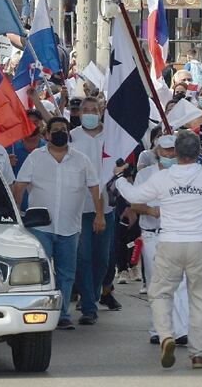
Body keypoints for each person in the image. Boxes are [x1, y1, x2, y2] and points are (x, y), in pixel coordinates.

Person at [116, 130, 202, 370]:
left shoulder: (162, 178)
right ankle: (199, 354)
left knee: (159, 293)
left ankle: (166, 334)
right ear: (198, 151)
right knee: (199, 299)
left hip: (170, 242)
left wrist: (119, 179)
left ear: (176, 152)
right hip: (201, 244)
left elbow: (133, 195)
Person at [13, 116, 103, 330]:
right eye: (55, 130)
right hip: (40, 227)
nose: (60, 133)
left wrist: (99, 215)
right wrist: (16, 215)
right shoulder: (36, 157)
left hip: (69, 227)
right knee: (42, 271)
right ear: (47, 134)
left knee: (66, 272)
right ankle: (40, 311)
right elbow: (19, 186)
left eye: (64, 129)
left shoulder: (81, 160)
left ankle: (62, 315)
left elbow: (94, 188)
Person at [131, 135, 190, 346]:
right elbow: (134, 203)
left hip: (177, 235)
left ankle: (181, 330)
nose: (170, 154)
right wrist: (150, 210)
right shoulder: (145, 175)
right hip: (152, 235)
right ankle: (158, 328)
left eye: (173, 150)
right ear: (157, 151)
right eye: (166, 150)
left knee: (181, 282)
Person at [69, 96, 120, 323]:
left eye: (94, 109)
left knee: (102, 259)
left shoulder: (112, 136)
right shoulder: (72, 137)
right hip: (80, 207)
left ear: (101, 111)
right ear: (79, 114)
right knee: (83, 257)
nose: (90, 113)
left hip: (105, 205)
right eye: (85, 110)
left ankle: (93, 293)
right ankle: (89, 306)